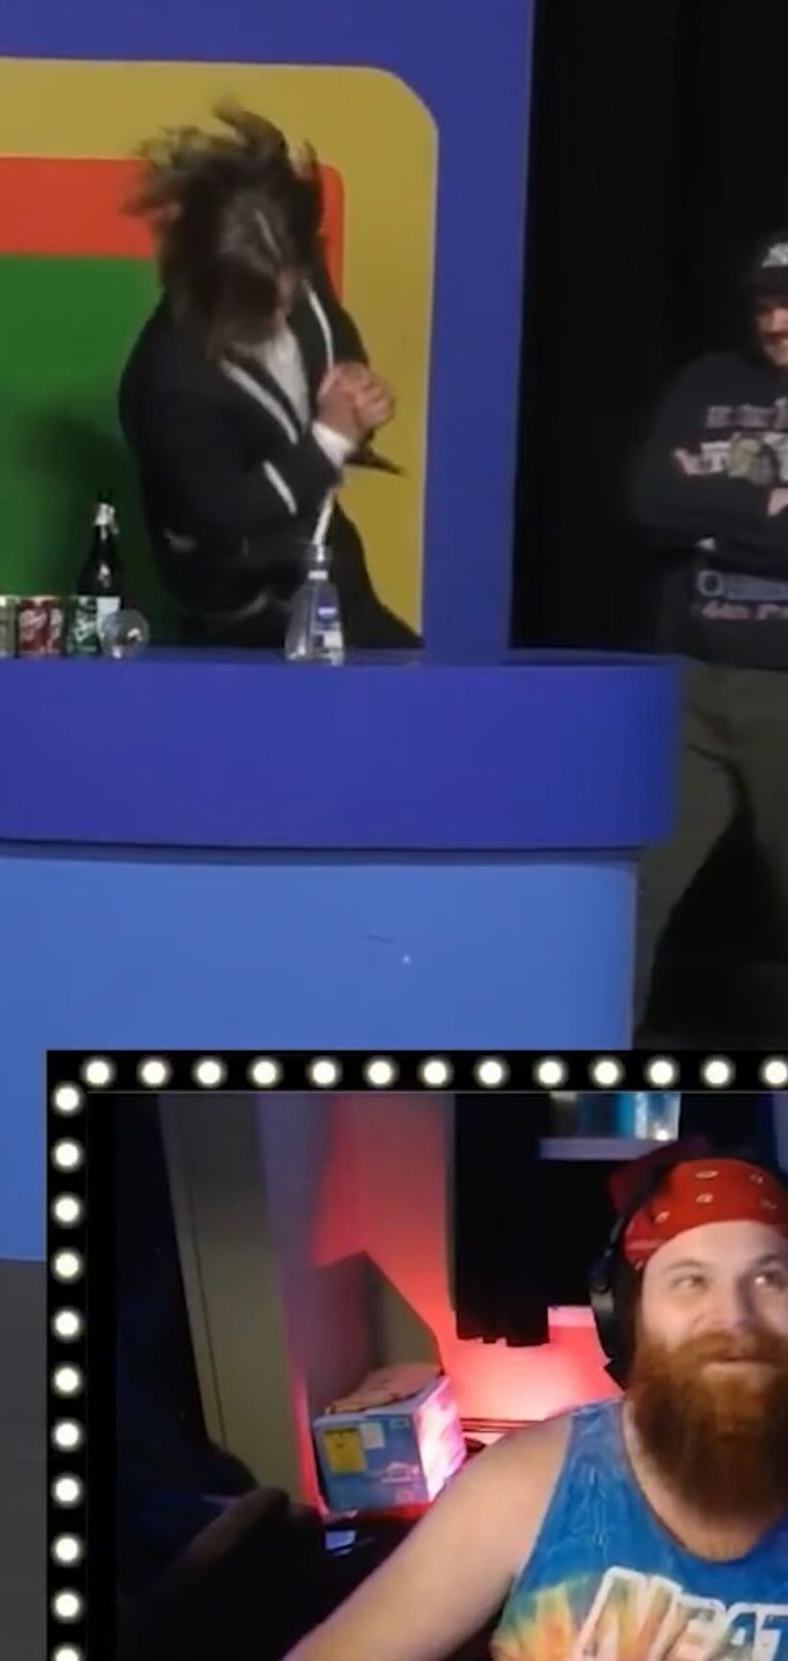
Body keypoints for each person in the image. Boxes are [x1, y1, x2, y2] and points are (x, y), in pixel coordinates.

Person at [280, 1142, 788, 1661]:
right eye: (691, 1281)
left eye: (769, 1278)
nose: (736, 1317)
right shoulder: (530, 1484)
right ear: (628, 1317)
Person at [118, 106, 420, 650]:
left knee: (428, 690)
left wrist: (357, 392)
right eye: (259, 310)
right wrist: (331, 438)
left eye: (292, 293)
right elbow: (225, 517)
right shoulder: (167, 381)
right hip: (243, 605)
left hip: (327, 572)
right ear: (204, 286)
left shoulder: (288, 262)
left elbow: (331, 339)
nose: (283, 318)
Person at [629, 231, 788, 1020]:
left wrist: (711, 520)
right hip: (688, 687)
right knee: (632, 898)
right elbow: (648, 502)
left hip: (782, 691)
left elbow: (686, 507)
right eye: (765, 305)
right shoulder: (707, 381)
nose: (775, 322)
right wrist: (759, 510)